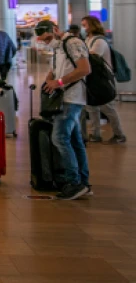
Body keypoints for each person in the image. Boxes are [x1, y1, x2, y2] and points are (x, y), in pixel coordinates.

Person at [34, 20, 91, 200]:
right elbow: (55, 70)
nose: (46, 42)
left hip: (71, 98)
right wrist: (49, 80)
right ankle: (83, 181)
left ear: (56, 30)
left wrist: (58, 83)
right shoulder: (58, 48)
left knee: (59, 138)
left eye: (48, 38)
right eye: (43, 40)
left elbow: (84, 69)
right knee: (74, 140)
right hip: (64, 98)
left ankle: (73, 182)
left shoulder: (73, 43)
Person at [81, 16, 126, 144]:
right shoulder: (88, 39)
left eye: (85, 25)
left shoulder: (99, 41)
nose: (83, 28)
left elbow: (93, 57)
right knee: (91, 107)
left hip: (102, 79)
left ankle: (119, 134)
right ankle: (95, 134)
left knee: (107, 107)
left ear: (92, 25)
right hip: (92, 78)